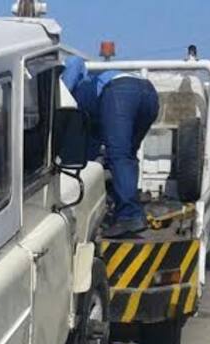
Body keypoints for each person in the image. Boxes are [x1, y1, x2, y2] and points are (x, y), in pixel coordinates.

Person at [63, 55, 160, 238]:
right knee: (127, 156)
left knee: (119, 156)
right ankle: (128, 208)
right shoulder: (94, 97)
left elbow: (74, 61)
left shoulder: (69, 93)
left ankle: (129, 216)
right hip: (148, 92)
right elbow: (89, 154)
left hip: (120, 92)